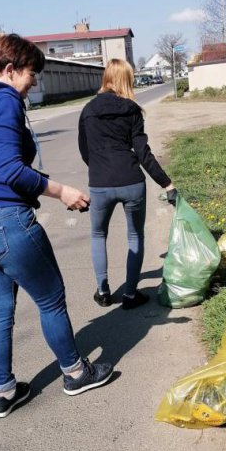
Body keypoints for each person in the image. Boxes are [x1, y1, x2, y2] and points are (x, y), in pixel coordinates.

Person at [0, 33, 113, 418]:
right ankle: (76, 373)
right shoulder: (5, 103)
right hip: (7, 223)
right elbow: (11, 171)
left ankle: (5, 392)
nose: (34, 83)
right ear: (10, 70)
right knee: (51, 299)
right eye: (31, 75)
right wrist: (60, 191)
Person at [78, 58, 176, 310]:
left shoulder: (88, 110)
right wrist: (167, 184)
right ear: (127, 80)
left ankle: (103, 291)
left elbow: (84, 150)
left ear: (106, 78)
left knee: (98, 234)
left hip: (100, 182)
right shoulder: (132, 110)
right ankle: (131, 295)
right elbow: (144, 153)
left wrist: (99, 169)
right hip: (132, 181)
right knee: (135, 235)